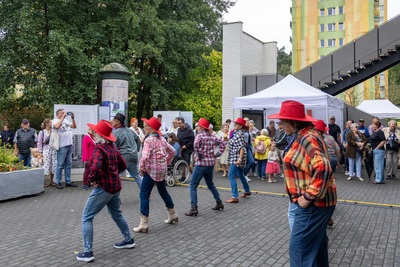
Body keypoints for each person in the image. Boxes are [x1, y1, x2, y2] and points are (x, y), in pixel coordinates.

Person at [268, 100, 336, 267]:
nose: (280, 125)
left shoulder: (307, 138)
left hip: (313, 205)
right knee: (316, 249)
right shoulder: (305, 135)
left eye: (282, 121)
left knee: (299, 251)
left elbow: (323, 168)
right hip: (318, 204)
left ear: (293, 122)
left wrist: (307, 197)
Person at [76, 120, 135, 263]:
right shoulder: (113, 147)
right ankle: (128, 239)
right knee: (117, 214)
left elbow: (94, 168)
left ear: (98, 134)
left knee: (87, 217)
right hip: (115, 187)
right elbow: (123, 165)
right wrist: (113, 174)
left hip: (103, 188)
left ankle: (88, 252)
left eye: (95, 132)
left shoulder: (99, 149)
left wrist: (93, 180)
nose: (93, 134)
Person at [134, 117, 178, 233]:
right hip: (162, 170)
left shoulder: (149, 140)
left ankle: (144, 223)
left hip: (151, 171)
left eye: (146, 126)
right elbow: (173, 151)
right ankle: (173, 214)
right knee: (163, 191)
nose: (144, 127)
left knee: (144, 194)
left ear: (152, 129)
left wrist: (142, 169)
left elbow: (144, 157)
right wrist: (166, 161)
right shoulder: (162, 139)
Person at [185, 118, 227, 216]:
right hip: (210, 164)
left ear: (201, 127)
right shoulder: (212, 137)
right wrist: (218, 154)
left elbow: (195, 144)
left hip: (201, 164)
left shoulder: (199, 136)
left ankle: (194, 208)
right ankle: (219, 202)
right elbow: (223, 143)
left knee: (193, 185)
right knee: (210, 184)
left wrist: (199, 155)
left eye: (198, 125)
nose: (196, 127)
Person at [111, 113, 142, 190]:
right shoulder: (130, 131)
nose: (112, 121)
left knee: (116, 177)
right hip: (133, 157)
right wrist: (136, 150)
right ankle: (146, 193)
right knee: (137, 176)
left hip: (123, 158)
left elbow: (113, 147)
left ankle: (116, 198)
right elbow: (138, 140)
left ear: (118, 122)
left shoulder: (115, 133)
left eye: (114, 120)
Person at [226, 118, 251, 203]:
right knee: (240, 174)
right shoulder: (237, 133)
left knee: (231, 175)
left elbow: (242, 148)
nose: (235, 125)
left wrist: (239, 159)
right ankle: (247, 191)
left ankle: (235, 196)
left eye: (236, 124)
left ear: (241, 126)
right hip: (236, 157)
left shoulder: (239, 134)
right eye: (235, 123)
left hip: (236, 158)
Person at [53, 109, 78, 189]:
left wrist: (73, 118)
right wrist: (63, 117)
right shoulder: (54, 120)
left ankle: (68, 181)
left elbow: (74, 126)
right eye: (62, 113)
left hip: (69, 145)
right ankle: (58, 182)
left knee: (68, 164)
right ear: (58, 114)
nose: (64, 114)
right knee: (60, 165)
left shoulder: (66, 121)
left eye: (64, 112)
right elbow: (57, 126)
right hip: (62, 145)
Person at [38, 118, 57, 187]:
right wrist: (40, 152)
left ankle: (51, 181)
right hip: (46, 150)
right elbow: (39, 143)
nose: (52, 124)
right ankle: (42, 181)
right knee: (45, 165)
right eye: (50, 122)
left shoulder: (54, 131)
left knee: (53, 164)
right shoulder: (42, 132)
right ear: (46, 124)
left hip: (53, 150)